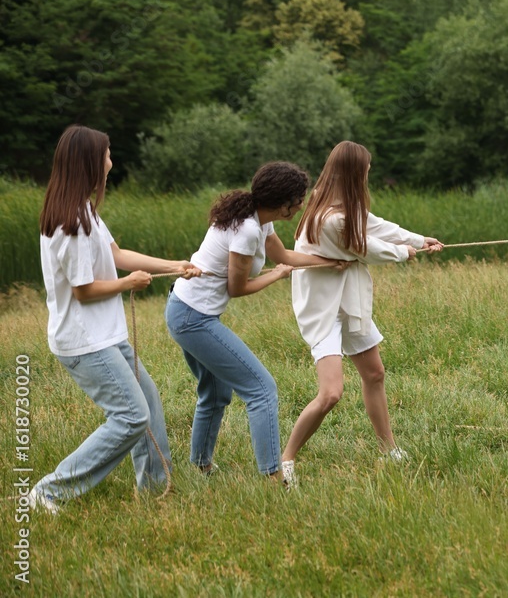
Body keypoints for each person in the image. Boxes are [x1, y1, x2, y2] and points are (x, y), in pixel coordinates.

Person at [30, 125, 199, 514]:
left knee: (148, 403)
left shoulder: (84, 210)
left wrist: (174, 265)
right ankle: (50, 492)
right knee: (131, 416)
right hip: (85, 342)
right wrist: (126, 285)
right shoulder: (69, 223)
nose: (111, 162)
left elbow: (117, 253)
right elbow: (83, 291)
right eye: (106, 155)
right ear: (90, 162)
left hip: (104, 336)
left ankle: (157, 490)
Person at [280, 141, 443, 486]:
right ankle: (286, 460)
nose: (369, 172)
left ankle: (389, 449)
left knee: (375, 374)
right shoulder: (328, 218)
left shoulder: (346, 207)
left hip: (348, 304)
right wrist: (405, 254)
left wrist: (418, 240)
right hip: (324, 311)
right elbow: (365, 247)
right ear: (355, 173)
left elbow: (377, 226)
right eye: (366, 168)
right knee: (331, 394)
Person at [165, 162, 335, 482]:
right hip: (192, 317)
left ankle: (202, 468)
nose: (302, 204)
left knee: (216, 394)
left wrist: (327, 262)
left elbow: (283, 256)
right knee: (262, 389)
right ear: (283, 203)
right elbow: (237, 288)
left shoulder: (259, 221)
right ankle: (273, 478)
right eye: (299, 199)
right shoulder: (246, 230)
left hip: (187, 309)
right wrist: (276, 277)